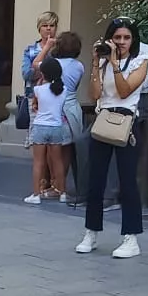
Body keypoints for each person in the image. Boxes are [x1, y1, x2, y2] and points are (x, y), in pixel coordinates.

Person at [80, 17, 148, 259]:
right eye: (117, 37)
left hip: (126, 123)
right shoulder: (101, 60)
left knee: (127, 182)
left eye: (126, 38)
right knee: (95, 180)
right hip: (103, 120)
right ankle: (91, 232)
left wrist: (114, 63)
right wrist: (95, 62)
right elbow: (94, 95)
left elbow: (124, 91)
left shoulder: (141, 60)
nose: (121, 42)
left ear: (133, 40)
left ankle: (131, 238)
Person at [25, 57, 71, 204]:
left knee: (39, 162)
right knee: (57, 161)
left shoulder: (38, 89)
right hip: (56, 127)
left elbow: (36, 103)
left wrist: (40, 81)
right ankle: (62, 192)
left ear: (43, 74)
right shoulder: (64, 90)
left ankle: (36, 194)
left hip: (40, 127)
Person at [54, 32, 88, 204]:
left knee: (53, 150)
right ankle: (64, 184)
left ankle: (57, 186)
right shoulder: (79, 66)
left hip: (55, 108)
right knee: (68, 149)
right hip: (73, 109)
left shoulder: (52, 64)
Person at [22, 11, 61, 98]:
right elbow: (26, 75)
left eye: (52, 25)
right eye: (45, 25)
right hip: (33, 95)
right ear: (39, 28)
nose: (48, 28)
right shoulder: (30, 50)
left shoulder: (61, 48)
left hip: (56, 96)